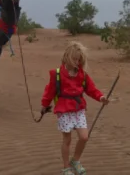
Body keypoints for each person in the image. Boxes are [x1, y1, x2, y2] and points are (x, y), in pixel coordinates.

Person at [40, 41, 109, 175]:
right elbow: (50, 91)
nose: (77, 62)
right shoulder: (57, 74)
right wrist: (44, 105)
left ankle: (75, 160)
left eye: (79, 60)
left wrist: (101, 97)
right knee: (67, 139)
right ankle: (66, 167)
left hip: (79, 109)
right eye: (75, 59)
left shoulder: (82, 75)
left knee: (84, 137)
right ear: (67, 57)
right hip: (64, 110)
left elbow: (92, 89)